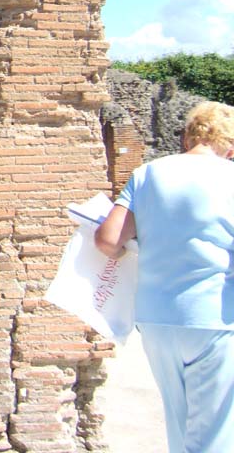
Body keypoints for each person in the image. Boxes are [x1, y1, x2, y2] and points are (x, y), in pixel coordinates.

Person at [96, 100, 234, 453]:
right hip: (216, 318)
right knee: (215, 434)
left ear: (188, 138)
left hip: (156, 318)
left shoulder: (148, 173)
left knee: (179, 423)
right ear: (229, 145)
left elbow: (109, 240)